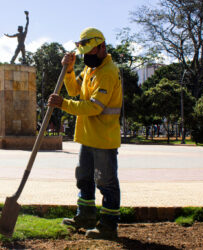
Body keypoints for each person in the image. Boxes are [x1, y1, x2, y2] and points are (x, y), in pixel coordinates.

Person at [48, 27, 122, 240]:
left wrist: (63, 104)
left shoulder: (107, 72)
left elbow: (93, 107)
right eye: (85, 53)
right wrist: (69, 71)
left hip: (104, 139)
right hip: (88, 137)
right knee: (84, 178)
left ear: (102, 47)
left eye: (91, 52)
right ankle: (86, 216)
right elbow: (74, 91)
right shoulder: (91, 70)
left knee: (106, 182)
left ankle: (108, 225)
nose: (87, 56)